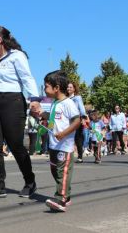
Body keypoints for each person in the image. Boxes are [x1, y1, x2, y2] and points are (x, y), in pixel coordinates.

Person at [0, 26, 41, 199]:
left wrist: (34, 98)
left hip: (13, 102)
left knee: (16, 146)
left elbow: (27, 77)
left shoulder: (17, 56)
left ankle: (30, 182)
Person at [42, 71, 80, 212]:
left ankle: (61, 198)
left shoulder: (68, 103)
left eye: (46, 86)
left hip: (64, 146)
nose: (44, 90)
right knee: (55, 171)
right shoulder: (55, 103)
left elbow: (77, 121)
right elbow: (54, 120)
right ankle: (66, 195)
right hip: (53, 144)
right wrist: (41, 114)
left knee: (62, 172)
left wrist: (64, 133)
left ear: (56, 88)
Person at [67, 82, 86, 164]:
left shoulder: (77, 98)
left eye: (70, 87)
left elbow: (81, 108)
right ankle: (68, 156)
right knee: (68, 139)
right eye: (67, 87)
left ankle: (80, 157)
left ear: (74, 89)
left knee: (78, 139)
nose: (68, 89)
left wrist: (83, 117)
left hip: (77, 120)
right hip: (68, 121)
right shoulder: (66, 99)